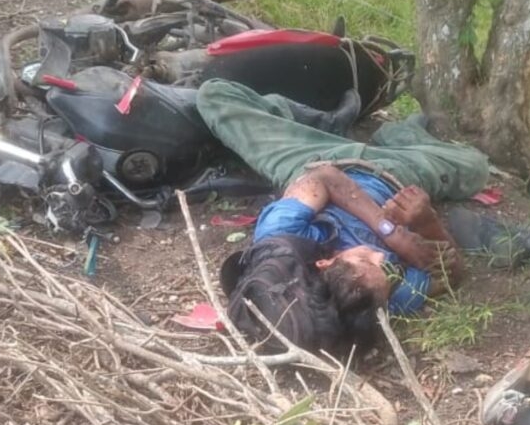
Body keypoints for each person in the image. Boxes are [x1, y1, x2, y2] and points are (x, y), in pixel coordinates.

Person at [196, 79, 490, 353]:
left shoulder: (281, 239)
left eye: (363, 259)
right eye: (386, 271)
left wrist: (393, 233)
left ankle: (325, 122)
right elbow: (451, 275)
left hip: (321, 157)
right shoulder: (383, 299)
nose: (382, 259)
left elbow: (325, 177)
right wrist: (427, 222)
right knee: (476, 165)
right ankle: (398, 135)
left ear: (325, 262)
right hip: (397, 172)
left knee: (214, 94)